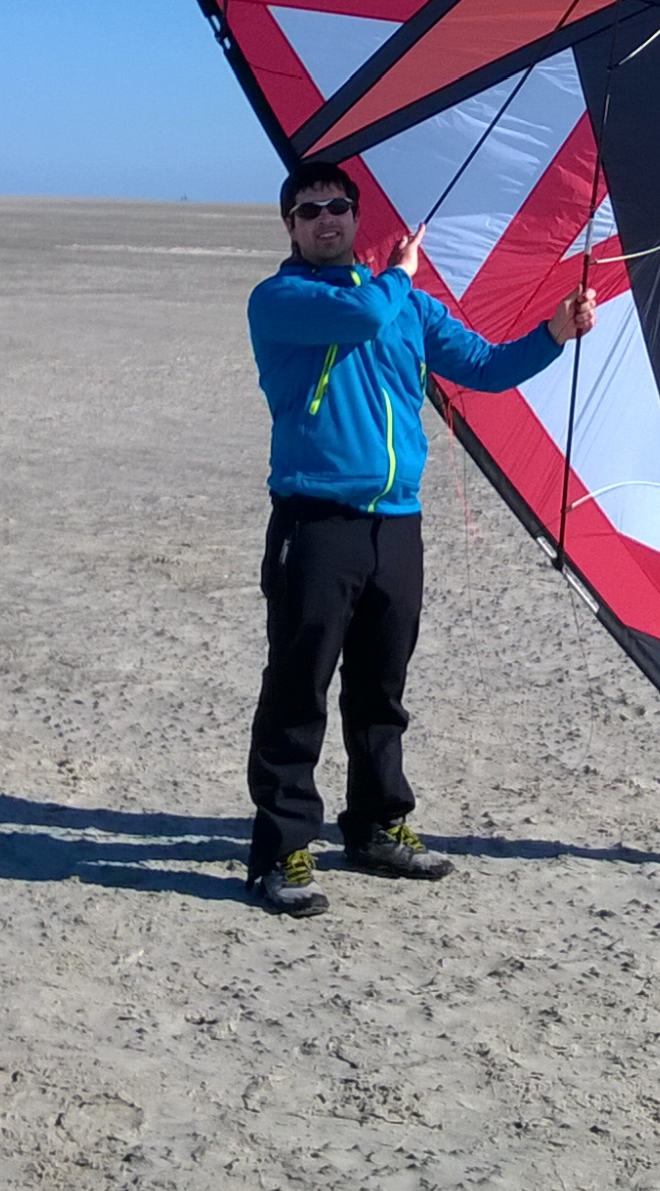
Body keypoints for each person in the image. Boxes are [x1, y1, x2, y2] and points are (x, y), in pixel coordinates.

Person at [243, 159, 596, 915]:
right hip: (317, 524)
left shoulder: (407, 306)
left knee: (381, 688)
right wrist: (400, 273)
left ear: (356, 216)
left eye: (338, 207)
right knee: (298, 688)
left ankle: (376, 826)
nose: (327, 219)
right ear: (290, 227)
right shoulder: (282, 299)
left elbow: (486, 367)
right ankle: (282, 849)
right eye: (310, 211)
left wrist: (556, 332)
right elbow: (365, 317)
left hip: (396, 525)